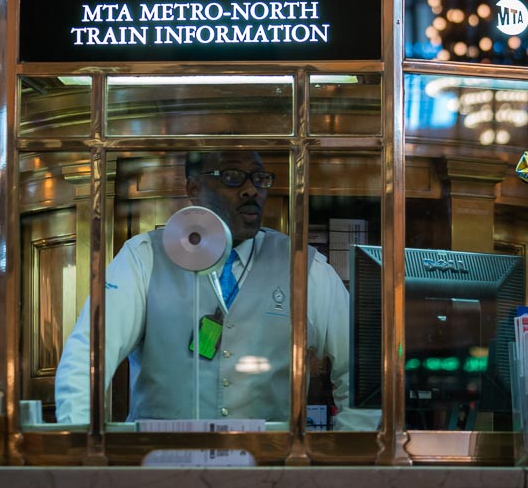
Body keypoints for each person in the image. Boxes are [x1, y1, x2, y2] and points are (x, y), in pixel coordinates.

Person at [55, 148, 378, 429]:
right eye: (233, 177)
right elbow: (87, 358)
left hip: (271, 475)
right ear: (194, 188)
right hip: (160, 472)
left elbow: (364, 371)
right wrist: (83, 451)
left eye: (260, 179)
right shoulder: (144, 257)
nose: (252, 190)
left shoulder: (304, 267)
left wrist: (348, 452)